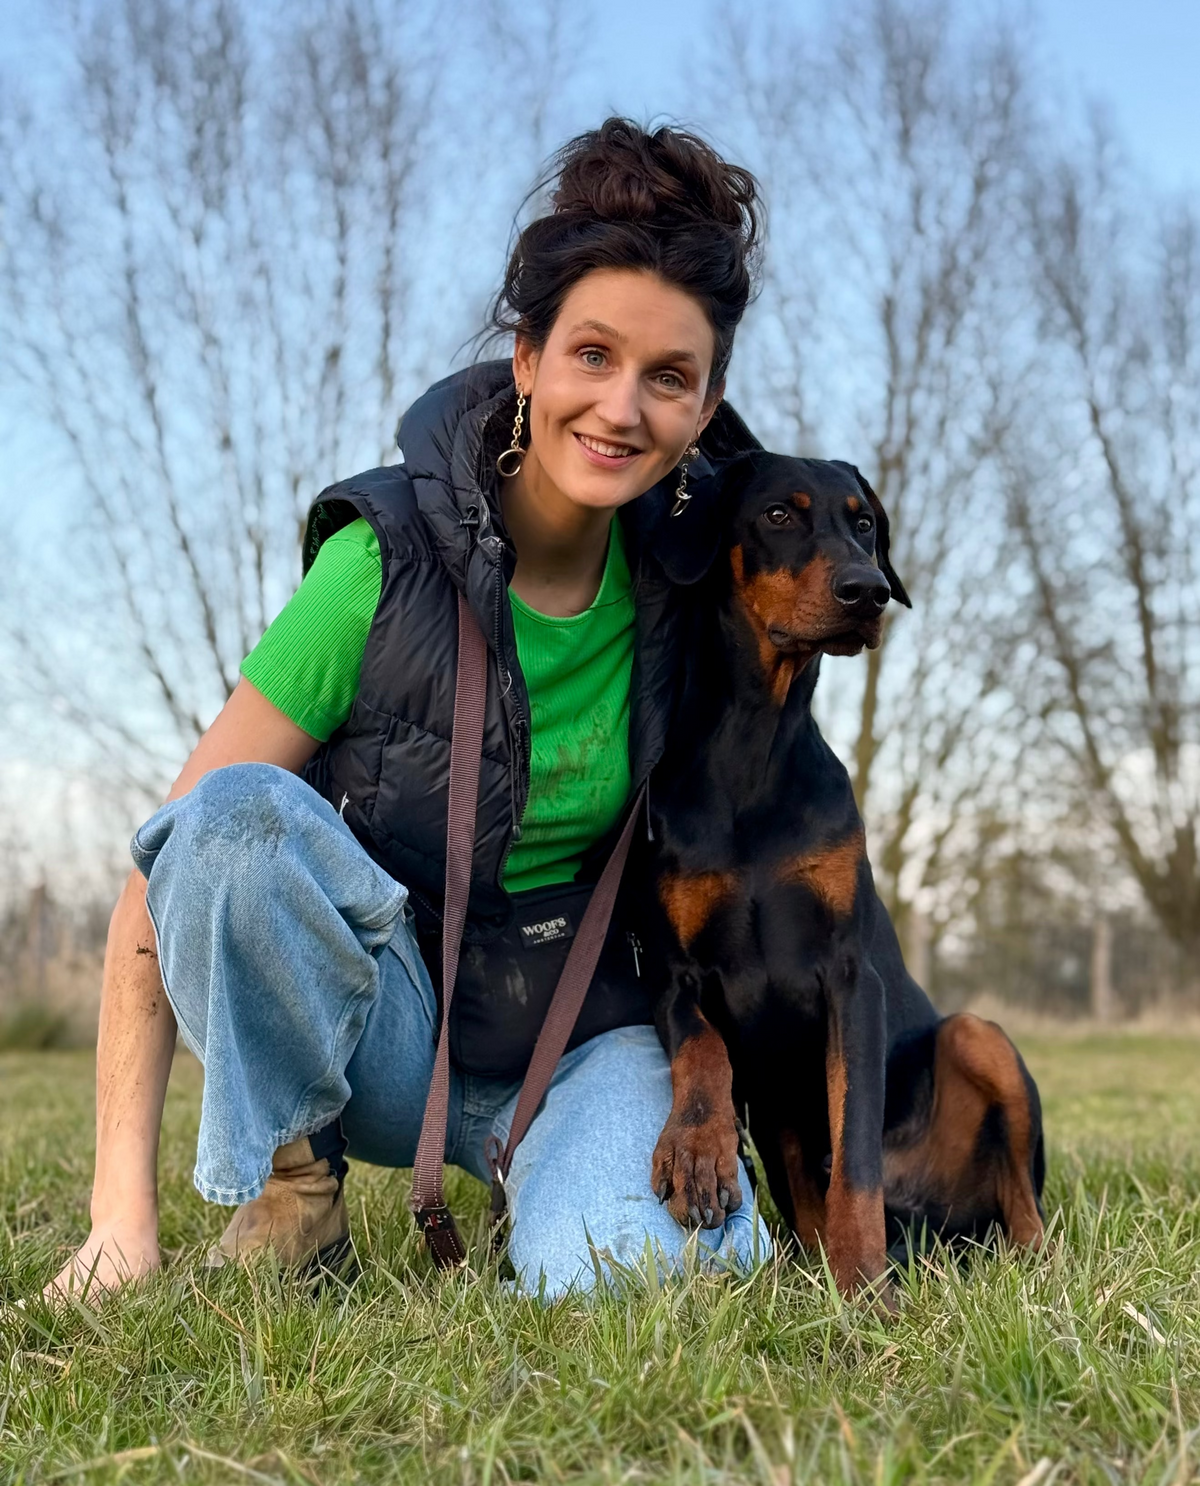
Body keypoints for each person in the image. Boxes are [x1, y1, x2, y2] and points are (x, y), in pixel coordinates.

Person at [49, 118, 771, 1302]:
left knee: (656, 1279)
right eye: (593, 354)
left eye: (669, 377)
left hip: (591, 1032)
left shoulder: (707, 585)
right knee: (233, 820)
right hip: (389, 1033)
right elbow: (167, 866)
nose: (623, 408)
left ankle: (555, 1190)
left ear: (707, 402)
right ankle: (294, 1199)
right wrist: (119, 1213)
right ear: (527, 355)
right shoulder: (378, 563)